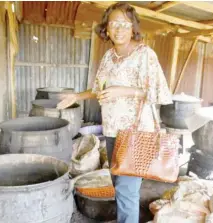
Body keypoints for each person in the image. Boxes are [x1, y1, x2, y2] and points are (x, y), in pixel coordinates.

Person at [57, 2, 172, 223]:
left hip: (136, 133)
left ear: (133, 28)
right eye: (113, 24)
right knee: (119, 186)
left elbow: (159, 92)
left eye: (124, 24)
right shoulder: (109, 56)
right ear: (106, 29)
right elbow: (99, 89)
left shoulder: (144, 55)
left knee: (126, 191)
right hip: (111, 131)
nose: (119, 29)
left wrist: (122, 90)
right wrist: (76, 97)